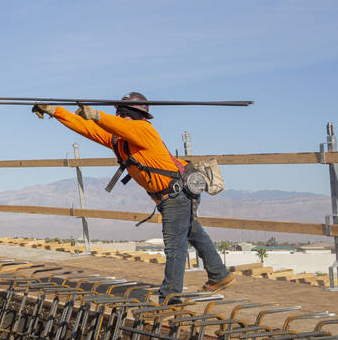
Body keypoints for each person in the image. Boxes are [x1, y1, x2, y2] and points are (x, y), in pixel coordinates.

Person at [33, 92, 233, 304]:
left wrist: (96, 115)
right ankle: (219, 274)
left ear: (131, 115)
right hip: (173, 195)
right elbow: (87, 129)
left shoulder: (144, 130)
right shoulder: (120, 140)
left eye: (121, 115)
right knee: (194, 233)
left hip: (177, 194)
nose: (119, 118)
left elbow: (117, 126)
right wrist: (54, 110)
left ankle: (170, 297)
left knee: (175, 246)